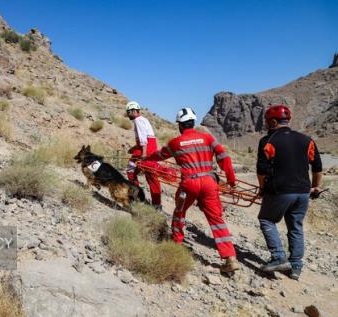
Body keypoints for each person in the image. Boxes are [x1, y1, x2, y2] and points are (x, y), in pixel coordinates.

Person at [144, 107, 239, 273]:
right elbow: (224, 158)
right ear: (193, 123)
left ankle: (176, 243)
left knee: (179, 212)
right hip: (210, 182)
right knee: (216, 219)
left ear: (180, 125)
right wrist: (231, 180)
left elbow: (159, 156)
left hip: (189, 183)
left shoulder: (175, 143)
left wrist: (146, 159)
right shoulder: (208, 138)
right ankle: (230, 257)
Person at [256, 105, 322, 280]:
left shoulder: (267, 140)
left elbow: (261, 171)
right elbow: (317, 167)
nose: (265, 125)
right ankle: (296, 266)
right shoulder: (307, 139)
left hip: (280, 190)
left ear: (273, 122)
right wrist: (315, 187)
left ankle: (278, 257)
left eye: (266, 121)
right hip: (303, 192)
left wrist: (262, 189)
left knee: (266, 219)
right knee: (295, 226)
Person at [125, 101, 162, 208]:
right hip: (149, 149)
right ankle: (157, 204)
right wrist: (133, 148)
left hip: (145, 151)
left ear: (133, 111)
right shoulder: (143, 120)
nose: (127, 115)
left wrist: (144, 154)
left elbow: (143, 140)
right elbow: (146, 137)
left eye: (128, 112)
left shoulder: (137, 120)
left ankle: (135, 197)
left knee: (131, 170)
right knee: (152, 177)